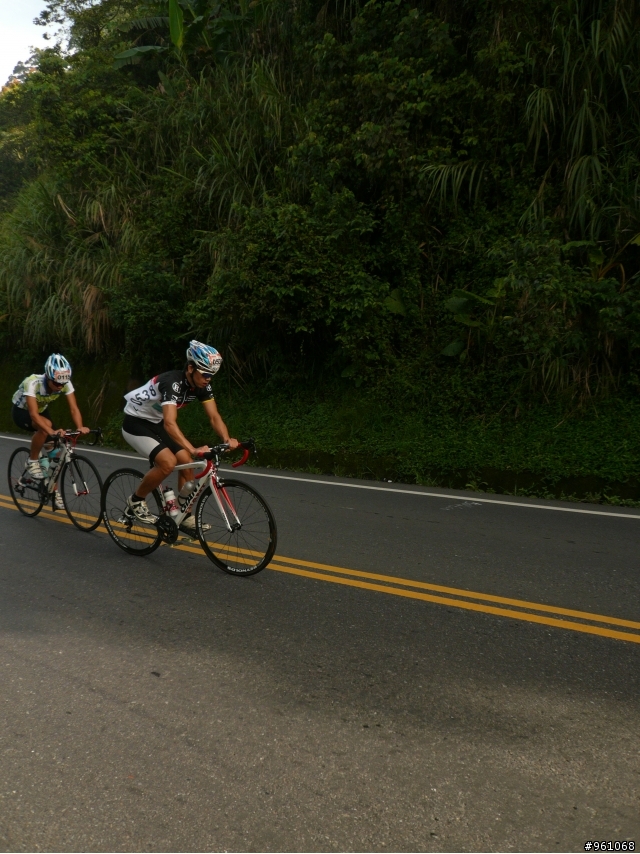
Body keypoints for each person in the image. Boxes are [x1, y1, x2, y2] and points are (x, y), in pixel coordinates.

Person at [121, 340, 239, 535]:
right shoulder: (172, 383)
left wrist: (227, 439)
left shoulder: (202, 385)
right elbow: (170, 423)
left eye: (212, 375)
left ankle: (184, 517)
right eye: (205, 374)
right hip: (136, 422)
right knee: (167, 462)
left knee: (187, 463)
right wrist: (192, 448)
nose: (208, 379)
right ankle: (136, 501)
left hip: (156, 422)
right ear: (191, 368)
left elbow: (214, 416)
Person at [11, 354, 91, 508]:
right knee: (44, 428)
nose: (60, 386)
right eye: (56, 383)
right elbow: (33, 414)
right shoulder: (32, 382)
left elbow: (74, 408)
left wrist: (80, 426)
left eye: (63, 383)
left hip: (41, 411)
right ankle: (32, 460)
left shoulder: (64, 383)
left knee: (55, 452)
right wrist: (51, 431)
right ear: (48, 377)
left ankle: (52, 490)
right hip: (22, 411)